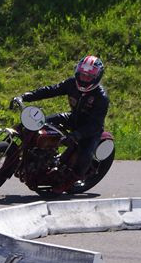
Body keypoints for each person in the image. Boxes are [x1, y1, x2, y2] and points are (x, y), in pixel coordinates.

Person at [11, 55, 109, 188]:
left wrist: (76, 135)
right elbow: (51, 90)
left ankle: (71, 180)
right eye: (82, 75)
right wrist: (25, 96)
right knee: (38, 123)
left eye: (88, 77)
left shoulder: (101, 97)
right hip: (72, 118)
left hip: (89, 129)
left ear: (96, 77)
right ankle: (34, 155)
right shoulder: (71, 83)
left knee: (85, 153)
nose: (84, 79)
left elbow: (95, 124)